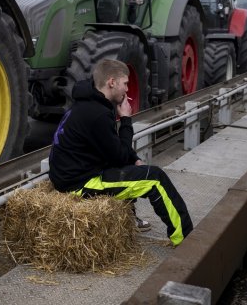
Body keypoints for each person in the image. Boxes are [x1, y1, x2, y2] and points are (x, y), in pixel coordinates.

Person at [48, 58, 193, 246]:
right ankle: (186, 239)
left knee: (132, 168)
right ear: (111, 82)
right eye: (125, 83)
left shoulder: (88, 102)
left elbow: (112, 146)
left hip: (72, 174)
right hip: (79, 183)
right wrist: (126, 120)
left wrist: (135, 159)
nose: (127, 89)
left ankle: (130, 218)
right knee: (155, 178)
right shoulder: (98, 113)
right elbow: (119, 155)